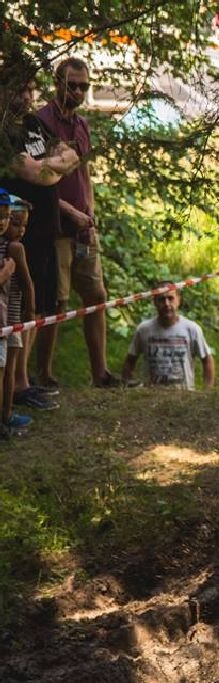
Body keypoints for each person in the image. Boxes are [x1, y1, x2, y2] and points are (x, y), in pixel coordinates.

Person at [37, 58, 122, 389]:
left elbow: (83, 173)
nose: (77, 91)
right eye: (71, 85)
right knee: (55, 301)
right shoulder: (41, 122)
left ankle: (100, 372)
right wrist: (68, 211)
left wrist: (89, 211)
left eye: (83, 86)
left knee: (96, 294)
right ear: (57, 83)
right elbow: (39, 180)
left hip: (85, 227)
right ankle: (43, 374)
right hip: (55, 226)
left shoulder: (82, 125)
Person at [1, 68, 79, 408]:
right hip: (19, 233)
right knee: (18, 309)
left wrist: (50, 164)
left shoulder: (34, 124)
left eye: (30, 89)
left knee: (36, 307)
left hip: (46, 230)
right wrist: (54, 165)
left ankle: (23, 382)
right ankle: (15, 386)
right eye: (20, 89)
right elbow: (37, 175)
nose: (26, 97)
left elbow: (72, 155)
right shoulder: (4, 131)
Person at [122, 284, 215, 390]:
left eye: (170, 298)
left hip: (184, 395)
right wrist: (126, 387)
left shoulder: (192, 329)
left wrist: (207, 391)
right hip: (151, 395)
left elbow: (207, 359)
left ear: (178, 300)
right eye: (162, 299)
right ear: (155, 302)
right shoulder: (144, 329)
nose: (166, 304)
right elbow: (130, 360)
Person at [4, 196, 39, 428]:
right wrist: (30, 310)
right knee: (7, 370)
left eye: (24, 225)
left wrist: (29, 311)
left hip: (13, 318)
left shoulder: (15, 247)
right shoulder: (11, 247)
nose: (21, 230)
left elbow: (27, 284)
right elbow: (28, 284)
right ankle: (6, 414)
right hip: (8, 319)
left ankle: (7, 412)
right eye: (16, 224)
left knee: (9, 369)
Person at [0, 190, 22, 437]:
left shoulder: (9, 247)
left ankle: (4, 418)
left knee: (4, 368)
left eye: (6, 216)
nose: (2, 222)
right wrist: (5, 274)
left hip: (5, 318)